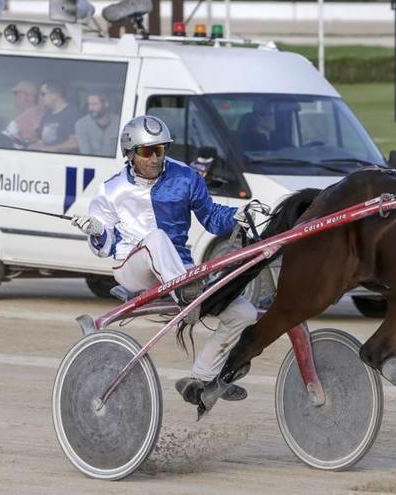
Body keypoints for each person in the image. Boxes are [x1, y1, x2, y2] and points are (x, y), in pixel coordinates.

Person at [70, 115, 257, 404]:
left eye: (161, 150)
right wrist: (96, 232)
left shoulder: (186, 177)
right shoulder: (111, 190)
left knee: (244, 313)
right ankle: (186, 295)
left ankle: (203, 378)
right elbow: (104, 247)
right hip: (133, 269)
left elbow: (210, 216)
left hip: (179, 269)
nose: (155, 158)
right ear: (130, 154)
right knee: (156, 238)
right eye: (147, 152)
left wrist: (236, 216)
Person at [0, 80, 43, 149]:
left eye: (18, 95)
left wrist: (25, 141)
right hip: (3, 144)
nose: (16, 98)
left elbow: (40, 133)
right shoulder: (26, 113)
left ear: (28, 97)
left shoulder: (36, 111)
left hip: (12, 148)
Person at [30, 80, 79, 153]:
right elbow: (39, 139)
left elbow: (74, 143)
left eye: (43, 94)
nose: (40, 97)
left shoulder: (72, 113)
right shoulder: (46, 116)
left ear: (55, 95)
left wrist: (48, 149)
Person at [75, 92, 119, 156]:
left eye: (95, 104)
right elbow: (85, 153)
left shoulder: (119, 122)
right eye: (89, 104)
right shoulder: (81, 124)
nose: (91, 108)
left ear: (106, 104)